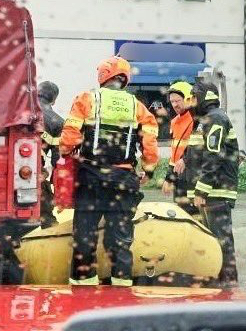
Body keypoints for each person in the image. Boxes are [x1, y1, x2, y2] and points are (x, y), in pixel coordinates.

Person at [59, 56, 159, 286]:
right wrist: (149, 170)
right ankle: (122, 293)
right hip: (123, 181)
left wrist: (67, 153)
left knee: (84, 238)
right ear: (125, 79)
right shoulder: (138, 106)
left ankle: (82, 290)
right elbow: (150, 144)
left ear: (103, 76)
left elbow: (68, 138)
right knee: (120, 242)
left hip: (91, 179)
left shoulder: (86, 99)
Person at [186, 81, 240, 285]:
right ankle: (217, 282)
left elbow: (213, 155)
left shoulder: (216, 118)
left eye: (194, 97)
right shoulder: (203, 120)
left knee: (222, 242)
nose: (191, 102)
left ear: (205, 97)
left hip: (217, 192)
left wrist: (201, 190)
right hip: (210, 191)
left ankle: (229, 285)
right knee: (210, 241)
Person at [161, 81, 197, 215]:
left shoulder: (197, 120)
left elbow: (200, 148)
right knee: (181, 216)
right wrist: (169, 178)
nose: (175, 104)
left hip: (193, 177)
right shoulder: (174, 121)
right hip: (180, 178)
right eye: (172, 101)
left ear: (188, 98)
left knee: (195, 218)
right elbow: (175, 154)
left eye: (178, 100)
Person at [37, 81, 64, 227]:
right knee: (42, 191)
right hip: (32, 168)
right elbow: (57, 160)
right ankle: (48, 224)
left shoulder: (18, 111)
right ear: (54, 100)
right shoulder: (58, 122)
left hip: (3, 162)